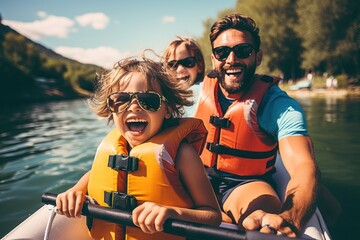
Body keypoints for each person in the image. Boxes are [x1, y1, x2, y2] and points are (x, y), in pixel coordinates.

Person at [56, 54, 221, 240]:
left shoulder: (183, 154)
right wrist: (76, 190)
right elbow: (93, 174)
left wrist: (174, 213)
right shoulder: (115, 148)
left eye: (148, 100)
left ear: (167, 109)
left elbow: (213, 216)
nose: (134, 107)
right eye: (120, 99)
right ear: (110, 108)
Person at [194, 13, 320, 238]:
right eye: (222, 52)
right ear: (213, 59)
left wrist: (290, 217)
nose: (231, 59)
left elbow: (303, 165)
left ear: (258, 57)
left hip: (244, 185)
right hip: (196, 178)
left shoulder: (279, 106)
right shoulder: (195, 95)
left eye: (243, 51)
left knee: (260, 221)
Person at [162, 37, 205, 117]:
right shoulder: (164, 98)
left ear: (200, 66)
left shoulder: (205, 89)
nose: (180, 69)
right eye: (173, 65)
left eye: (188, 62)